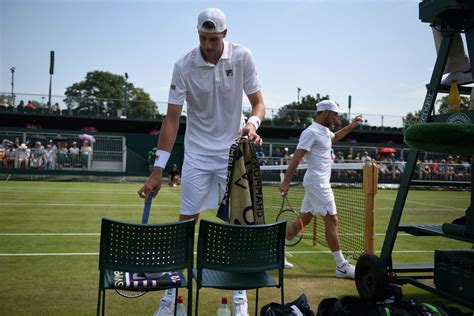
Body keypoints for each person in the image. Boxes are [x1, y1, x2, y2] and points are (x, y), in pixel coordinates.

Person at [137, 8, 265, 315]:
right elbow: (171, 120)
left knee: (239, 226)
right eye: (202, 38)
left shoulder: (243, 56)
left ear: (224, 34)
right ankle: (170, 298)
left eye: (213, 38)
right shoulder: (183, 65)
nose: (207, 45)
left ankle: (238, 298)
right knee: (185, 225)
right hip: (196, 154)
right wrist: (158, 171)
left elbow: (258, 104)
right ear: (198, 35)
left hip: (232, 154)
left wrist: (252, 125)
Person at [279, 100, 363, 279]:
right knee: (332, 220)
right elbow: (297, 158)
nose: (336, 117)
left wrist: (352, 125)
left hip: (317, 182)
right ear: (324, 112)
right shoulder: (310, 132)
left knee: (305, 218)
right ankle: (341, 265)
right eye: (334, 114)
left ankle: (278, 252)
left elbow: (336, 137)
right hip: (318, 183)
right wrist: (286, 181)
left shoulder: (325, 131)